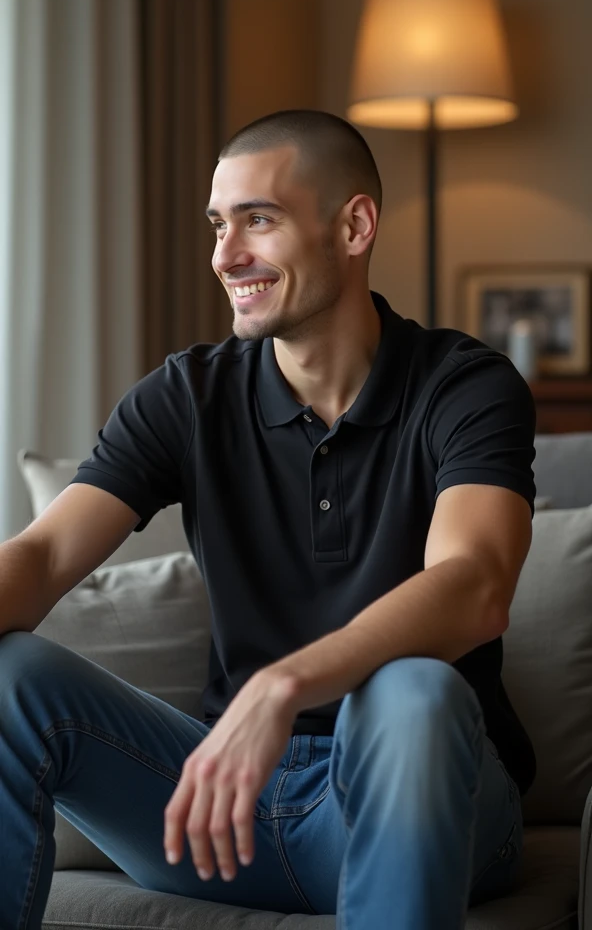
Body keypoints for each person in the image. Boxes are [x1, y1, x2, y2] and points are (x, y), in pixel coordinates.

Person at [0, 109, 536, 930]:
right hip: (222, 815)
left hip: (416, 805)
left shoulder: (465, 387)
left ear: (353, 226)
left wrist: (283, 686)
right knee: (11, 677)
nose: (225, 255)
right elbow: (38, 560)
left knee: (414, 691)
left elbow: (473, 585)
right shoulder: (187, 395)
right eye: (218, 223)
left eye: (259, 219)